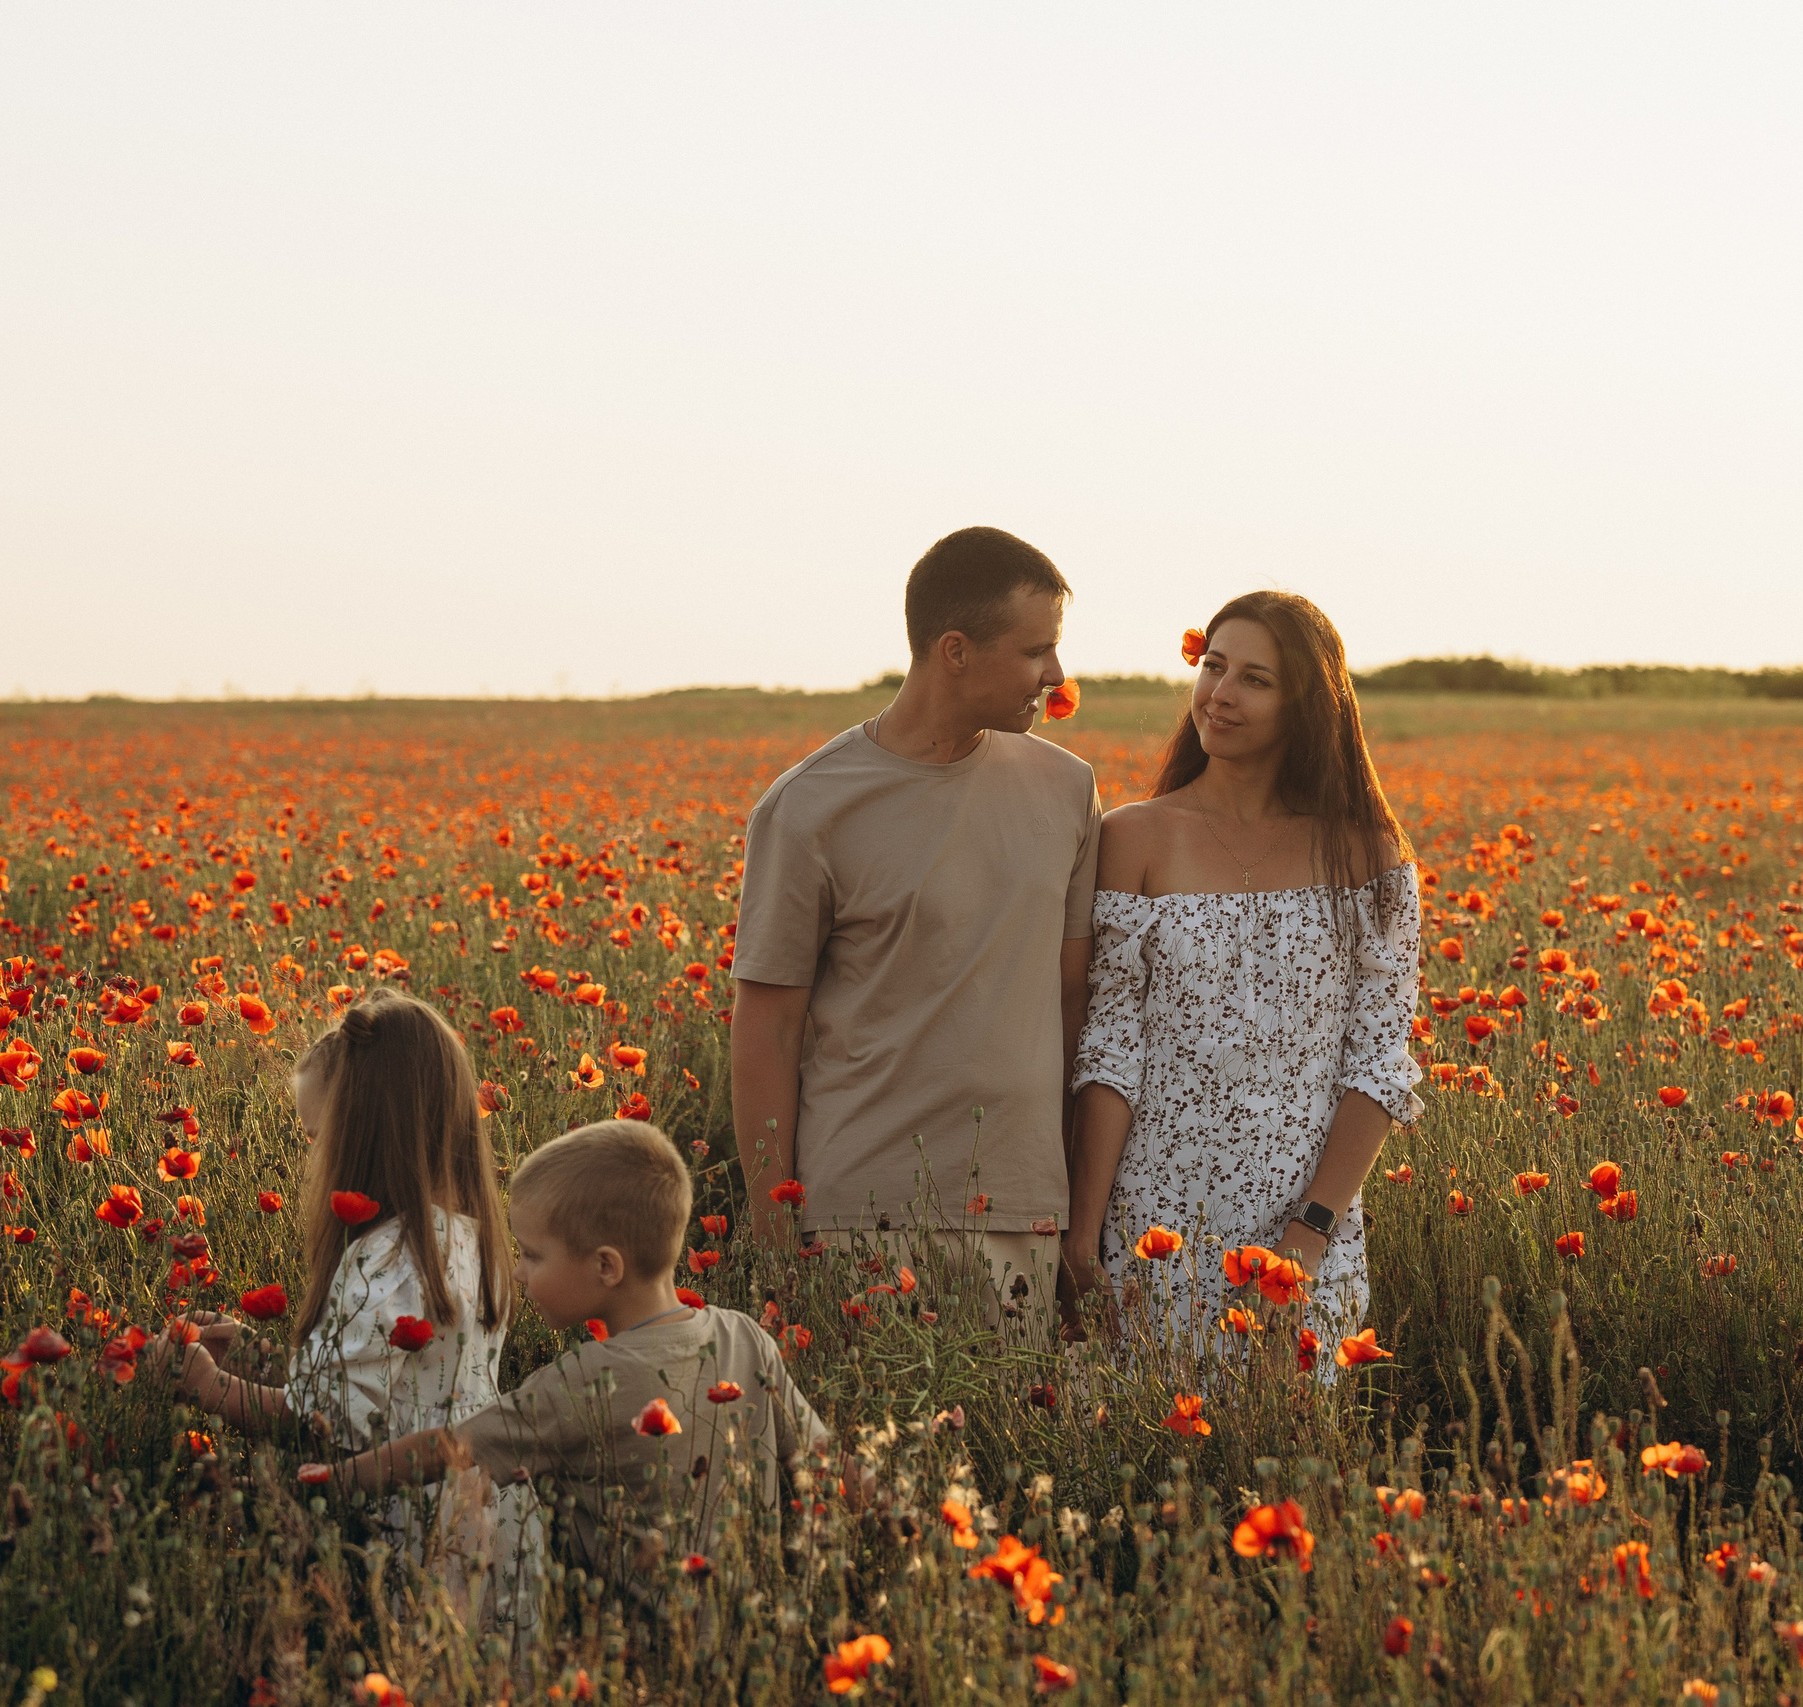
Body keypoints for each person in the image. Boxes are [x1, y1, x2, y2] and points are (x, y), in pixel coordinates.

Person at [730, 526, 1101, 1335]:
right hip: (857, 1219)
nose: (1056, 674)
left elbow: (1075, 1005)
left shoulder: (1069, 790)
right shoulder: (809, 806)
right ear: (955, 651)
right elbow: (767, 1029)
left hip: (1022, 1213)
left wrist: (1080, 1217)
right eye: (1035, 650)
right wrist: (774, 1240)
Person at [1064, 591, 1423, 1350]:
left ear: (1308, 706)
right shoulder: (1133, 837)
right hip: (1153, 1226)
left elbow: (1378, 1065)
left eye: (1254, 679)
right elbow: (1112, 1050)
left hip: (1306, 1230)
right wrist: (1083, 1234)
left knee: (1289, 1422)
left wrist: (1310, 1234)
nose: (1220, 693)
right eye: (1213, 667)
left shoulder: (1367, 855)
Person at [300, 1120, 828, 1613]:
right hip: (757, 1629)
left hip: (640, 1654)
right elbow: (819, 1458)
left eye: (533, 1255)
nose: (519, 1272)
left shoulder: (585, 1381)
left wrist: (336, 1477)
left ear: (606, 1266)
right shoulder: (745, 1336)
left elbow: (449, 1450)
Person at [162, 989, 536, 1630]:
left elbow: (324, 1420)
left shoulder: (385, 1257)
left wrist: (210, 1386)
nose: (313, 1158)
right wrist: (253, 1352)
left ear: (364, 1135)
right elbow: (388, 1380)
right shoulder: (472, 1241)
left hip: (410, 1526)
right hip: (487, 1511)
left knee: (410, 1664)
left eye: (317, 1137)